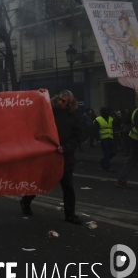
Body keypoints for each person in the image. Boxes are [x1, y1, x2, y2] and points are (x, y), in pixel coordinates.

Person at [20, 90, 84, 225]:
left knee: (68, 188)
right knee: (40, 182)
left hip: (65, 157)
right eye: (59, 99)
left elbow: (77, 136)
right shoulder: (50, 111)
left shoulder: (74, 117)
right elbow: (36, 112)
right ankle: (25, 201)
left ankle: (70, 215)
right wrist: (39, 95)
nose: (60, 102)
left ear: (70, 103)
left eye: (64, 101)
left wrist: (65, 147)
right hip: (49, 156)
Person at [116, 107, 138, 188]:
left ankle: (121, 180)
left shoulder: (135, 111)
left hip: (134, 139)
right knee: (131, 160)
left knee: (131, 160)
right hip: (136, 140)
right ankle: (121, 180)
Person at [94, 107, 116, 172]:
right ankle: (107, 167)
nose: (107, 112)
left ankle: (103, 161)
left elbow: (116, 124)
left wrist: (117, 116)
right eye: (106, 111)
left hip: (110, 137)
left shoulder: (111, 118)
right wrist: (97, 139)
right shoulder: (98, 119)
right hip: (103, 139)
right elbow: (95, 130)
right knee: (107, 153)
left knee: (113, 153)